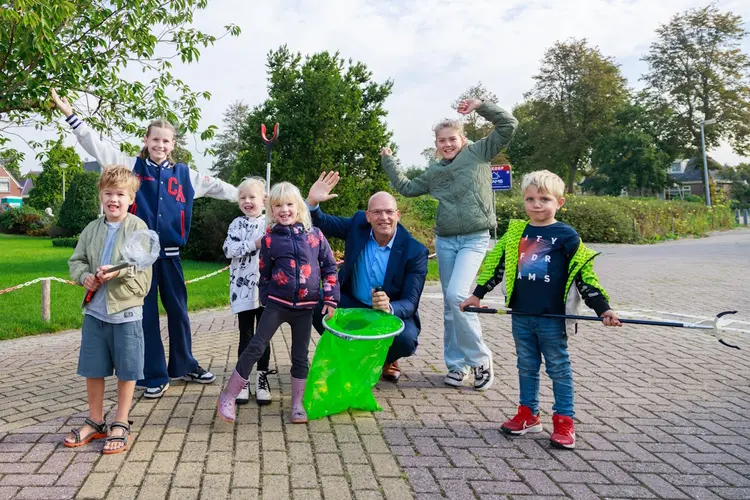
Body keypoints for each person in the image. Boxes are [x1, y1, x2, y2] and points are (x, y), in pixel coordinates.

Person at [51, 89, 238, 399]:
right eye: (155, 140)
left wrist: (252, 196)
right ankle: (153, 374)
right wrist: (71, 116)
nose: (160, 145)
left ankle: (184, 364)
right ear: (146, 141)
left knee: (178, 311)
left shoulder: (185, 175)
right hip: (136, 262)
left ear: (173, 144)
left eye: (166, 141)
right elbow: (95, 146)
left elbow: (220, 187)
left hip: (172, 256)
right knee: (145, 315)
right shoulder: (131, 168)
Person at [460, 170, 622, 449]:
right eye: (530, 199)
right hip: (521, 315)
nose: (536, 204)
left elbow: (585, 276)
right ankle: (528, 414)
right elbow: (496, 267)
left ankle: (564, 422)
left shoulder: (567, 235)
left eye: (544, 199)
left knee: (558, 368)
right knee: (526, 366)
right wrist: (477, 295)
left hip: (552, 318)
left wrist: (602, 308)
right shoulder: (516, 233)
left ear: (559, 202)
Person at [380, 97, 518, 391]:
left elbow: (509, 124)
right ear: (436, 144)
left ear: (462, 139)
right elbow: (406, 187)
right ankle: (457, 366)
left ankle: (480, 359)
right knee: (449, 305)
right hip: (445, 240)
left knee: (458, 296)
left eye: (452, 139)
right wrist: (389, 160)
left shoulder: (479, 153)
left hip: (475, 237)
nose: (447, 144)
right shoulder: (434, 172)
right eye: (441, 141)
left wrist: (480, 105)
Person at [217, 182, 340, 424]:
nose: (284, 210)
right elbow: (265, 271)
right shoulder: (270, 239)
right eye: (278, 206)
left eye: (289, 204)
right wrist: (265, 296)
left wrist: (330, 298)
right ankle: (228, 396)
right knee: (255, 346)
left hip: (305, 308)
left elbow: (329, 267)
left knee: (300, 356)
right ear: (271, 210)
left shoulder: (315, 236)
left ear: (299, 207)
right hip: (276, 305)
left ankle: (297, 403)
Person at [306, 172, 429, 382]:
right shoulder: (357, 226)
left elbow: (410, 301)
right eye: (377, 212)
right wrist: (312, 202)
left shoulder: (414, 251)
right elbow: (322, 222)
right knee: (317, 303)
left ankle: (386, 359)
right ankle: (347, 354)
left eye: (389, 212)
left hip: (388, 313)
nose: (384, 218)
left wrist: (389, 307)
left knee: (406, 340)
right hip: (351, 301)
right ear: (368, 216)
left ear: (398, 215)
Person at [66, 165, 152, 454]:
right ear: (100, 197)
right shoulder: (91, 229)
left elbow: (142, 271)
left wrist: (117, 273)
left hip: (126, 313)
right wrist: (83, 276)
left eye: (120, 194)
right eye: (108, 194)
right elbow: (76, 261)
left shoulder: (138, 228)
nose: (113, 199)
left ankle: (121, 421)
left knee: (127, 369)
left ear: (130, 199)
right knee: (94, 368)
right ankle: (96, 421)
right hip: (95, 312)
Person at [223, 176, 277, 405]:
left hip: (266, 290)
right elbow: (229, 249)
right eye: (242, 197)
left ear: (264, 200)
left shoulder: (272, 224)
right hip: (243, 291)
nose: (247, 201)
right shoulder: (236, 224)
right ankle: (242, 380)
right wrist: (253, 244)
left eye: (252, 197)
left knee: (263, 337)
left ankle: (262, 378)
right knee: (246, 336)